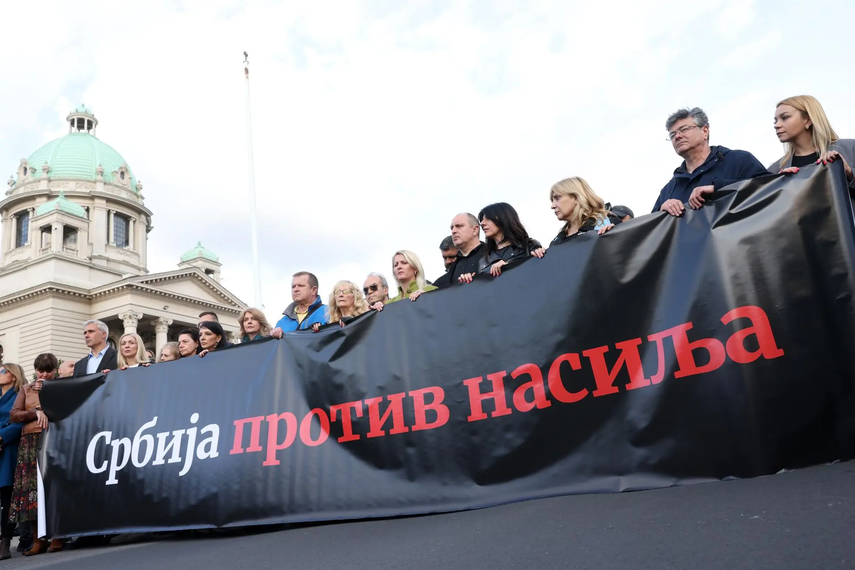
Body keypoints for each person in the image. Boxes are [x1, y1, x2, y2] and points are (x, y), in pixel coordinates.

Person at [653, 107, 768, 216]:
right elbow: (649, 230)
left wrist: (718, 188)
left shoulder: (739, 160)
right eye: (672, 134)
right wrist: (661, 213)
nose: (677, 136)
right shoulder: (669, 189)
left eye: (684, 129)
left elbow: (769, 188)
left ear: (705, 131)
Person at [10, 354, 60, 555]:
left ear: (55, 370)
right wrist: (35, 413)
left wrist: (45, 403)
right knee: (30, 490)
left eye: (49, 370)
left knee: (54, 487)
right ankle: (39, 539)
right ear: (35, 370)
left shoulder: (61, 386)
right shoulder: (25, 389)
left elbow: (68, 409)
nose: (45, 374)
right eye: (41, 370)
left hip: (55, 440)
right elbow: (14, 415)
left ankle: (57, 536)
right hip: (30, 441)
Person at [762, 95, 855, 190]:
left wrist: (849, 172)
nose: (776, 125)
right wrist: (781, 188)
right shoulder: (774, 171)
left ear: (808, 119)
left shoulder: (851, 148)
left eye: (785, 117)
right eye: (775, 120)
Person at [458, 203, 544, 282]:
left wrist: (508, 267)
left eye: (487, 218)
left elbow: (538, 275)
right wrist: (470, 281)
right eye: (482, 220)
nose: (482, 223)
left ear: (503, 218)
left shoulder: (529, 246)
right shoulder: (484, 260)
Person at [549, 177, 623, 246]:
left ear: (576, 198)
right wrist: (538, 251)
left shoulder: (607, 222)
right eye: (552, 200)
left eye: (557, 198)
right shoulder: (556, 241)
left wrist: (614, 236)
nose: (552, 206)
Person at [0, 364, 23, 560]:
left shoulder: (19, 396)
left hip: (7, 449)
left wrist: (2, 436)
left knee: (7, 496)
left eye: (2, 371)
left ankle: (5, 542)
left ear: (13, 376)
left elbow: (20, 422)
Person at [270, 272, 328, 337]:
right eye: (293, 287)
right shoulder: (282, 323)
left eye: (300, 286)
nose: (295, 289)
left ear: (314, 290)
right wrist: (275, 335)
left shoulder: (329, 312)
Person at [436, 213, 485, 288]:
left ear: (475, 230)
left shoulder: (492, 253)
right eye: (452, 228)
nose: (453, 231)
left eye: (459, 226)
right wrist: (425, 294)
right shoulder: (455, 265)